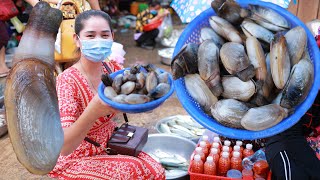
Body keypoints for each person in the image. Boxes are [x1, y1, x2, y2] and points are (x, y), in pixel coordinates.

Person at [48, 10, 165, 179]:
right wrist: (93, 111)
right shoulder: (67, 81)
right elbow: (65, 147)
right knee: (132, 170)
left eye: (104, 35)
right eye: (90, 36)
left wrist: (149, 98)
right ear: (77, 40)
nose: (98, 41)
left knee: (156, 170)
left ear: (112, 36)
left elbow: (134, 98)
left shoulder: (113, 70)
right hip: (75, 156)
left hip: (111, 142)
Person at [265, 93, 320, 180]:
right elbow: (291, 135)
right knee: (296, 175)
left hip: (306, 141)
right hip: (282, 140)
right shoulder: (304, 90)